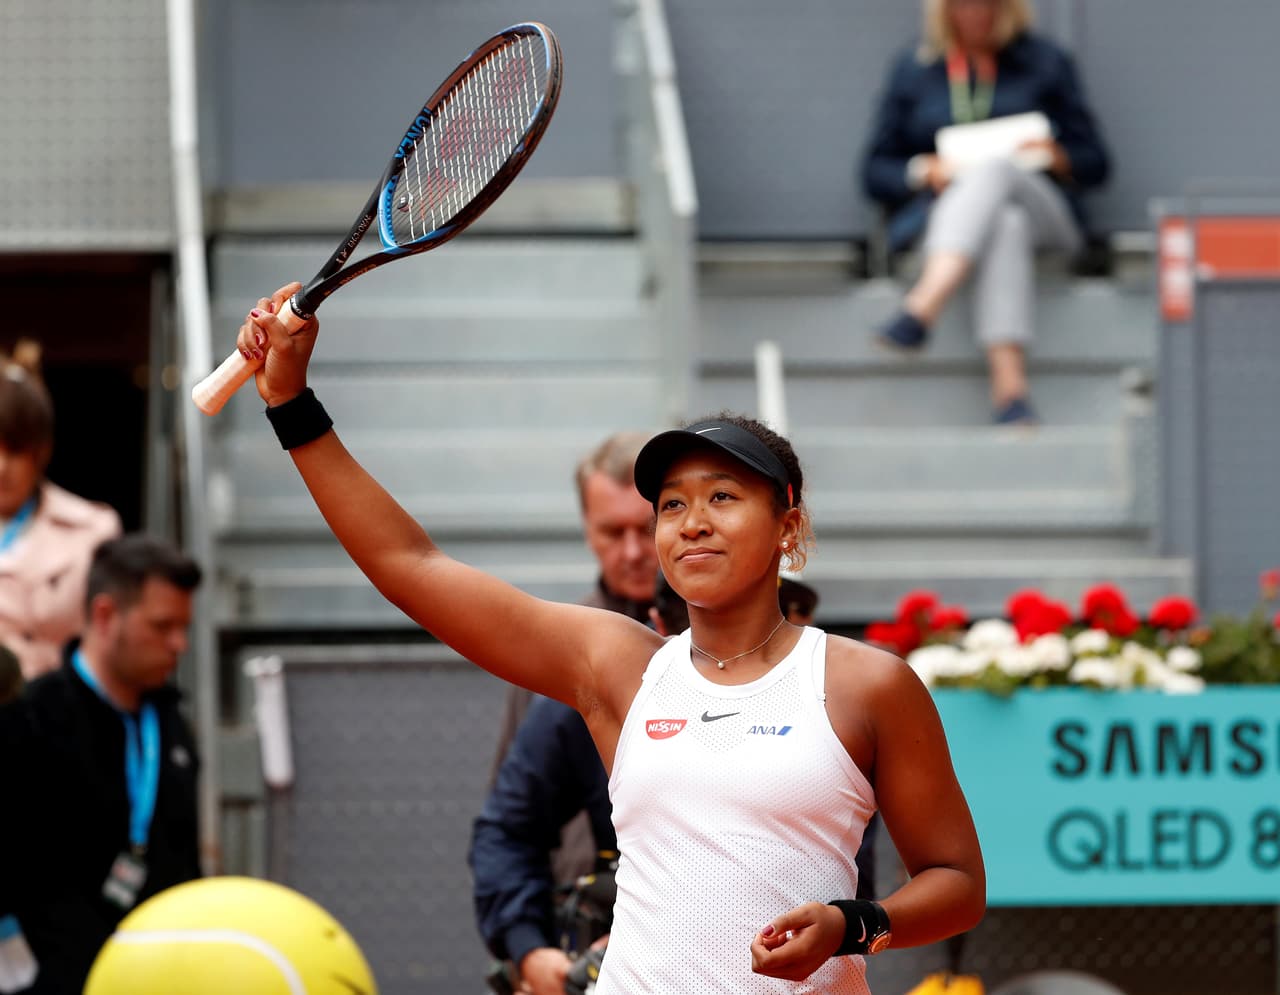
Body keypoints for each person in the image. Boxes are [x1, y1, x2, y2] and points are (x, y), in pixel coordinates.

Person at [236, 284, 985, 992]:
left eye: (723, 496)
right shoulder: (620, 666)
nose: (692, 520)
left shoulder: (868, 683)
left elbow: (956, 883)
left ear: (787, 524)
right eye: (671, 503)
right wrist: (290, 402)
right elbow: (411, 565)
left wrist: (853, 924)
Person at [861, 0, 1110, 425]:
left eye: (987, 6)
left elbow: (1098, 163)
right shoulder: (915, 69)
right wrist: (923, 170)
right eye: (963, 6)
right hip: (949, 216)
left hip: (1045, 214)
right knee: (1004, 223)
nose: (976, 15)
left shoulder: (1046, 63)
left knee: (996, 168)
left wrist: (1057, 155)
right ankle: (1010, 391)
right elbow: (873, 171)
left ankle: (923, 305)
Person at [0, 534, 203, 995]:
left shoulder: (172, 727)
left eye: (184, 627)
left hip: (161, 978)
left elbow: (185, 863)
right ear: (106, 615)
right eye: (163, 626)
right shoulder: (31, 720)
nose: (180, 644)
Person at [470, 571, 689, 995]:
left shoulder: (829, 693)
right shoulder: (600, 681)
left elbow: (850, 867)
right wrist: (532, 953)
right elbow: (508, 831)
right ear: (657, 627)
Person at [486, 431, 660, 896]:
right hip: (578, 921)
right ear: (586, 528)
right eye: (611, 531)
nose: (632, 552)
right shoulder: (554, 643)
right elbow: (509, 821)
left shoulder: (731, 641)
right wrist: (527, 951)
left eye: (645, 528)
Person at [0, 341, 122, 680]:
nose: (1, 467)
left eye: (15, 450)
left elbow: (111, 646)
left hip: (60, 722)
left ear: (41, 452)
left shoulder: (95, 529)